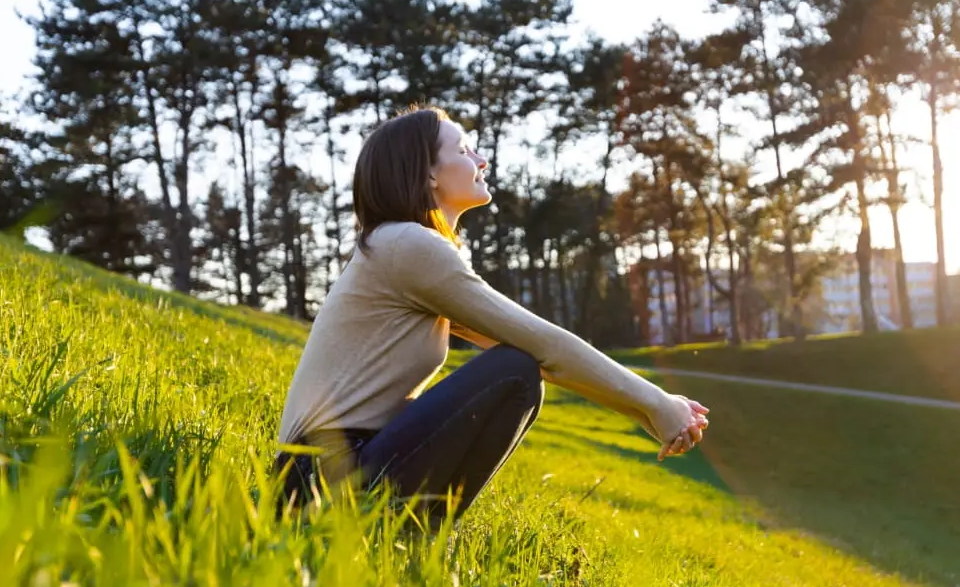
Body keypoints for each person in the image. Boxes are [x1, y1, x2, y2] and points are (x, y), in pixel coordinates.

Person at [274, 105, 710, 526]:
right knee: (513, 372)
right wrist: (656, 402)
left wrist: (649, 415)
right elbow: (546, 347)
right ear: (428, 174)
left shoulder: (400, 247)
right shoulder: (410, 246)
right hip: (322, 478)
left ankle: (409, 538)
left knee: (517, 366)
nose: (481, 160)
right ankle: (417, 536)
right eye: (464, 150)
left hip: (321, 475)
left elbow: (549, 360)